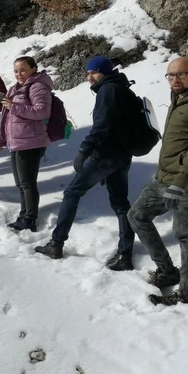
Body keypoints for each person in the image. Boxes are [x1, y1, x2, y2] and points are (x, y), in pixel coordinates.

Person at [127, 57, 188, 305]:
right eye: (170, 75)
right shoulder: (179, 97)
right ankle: (167, 270)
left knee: (187, 235)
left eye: (181, 74)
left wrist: (179, 183)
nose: (175, 80)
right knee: (136, 215)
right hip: (164, 177)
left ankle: (185, 293)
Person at [34, 56, 135, 261]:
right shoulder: (122, 88)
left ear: (105, 72)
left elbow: (101, 127)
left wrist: (84, 150)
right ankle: (125, 254)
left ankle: (57, 243)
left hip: (106, 155)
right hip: (122, 154)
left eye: (94, 72)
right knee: (121, 203)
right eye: (88, 73)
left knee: (72, 192)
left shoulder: (108, 91)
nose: (89, 77)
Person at [0, 57, 53, 231]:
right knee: (21, 184)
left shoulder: (38, 86)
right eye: (16, 71)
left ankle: (30, 219)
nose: (19, 74)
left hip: (31, 141)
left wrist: (14, 106)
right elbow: (8, 118)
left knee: (27, 183)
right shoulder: (16, 88)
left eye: (23, 70)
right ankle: (23, 216)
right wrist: (3, 139)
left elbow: (42, 111)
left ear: (33, 69)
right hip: (18, 141)